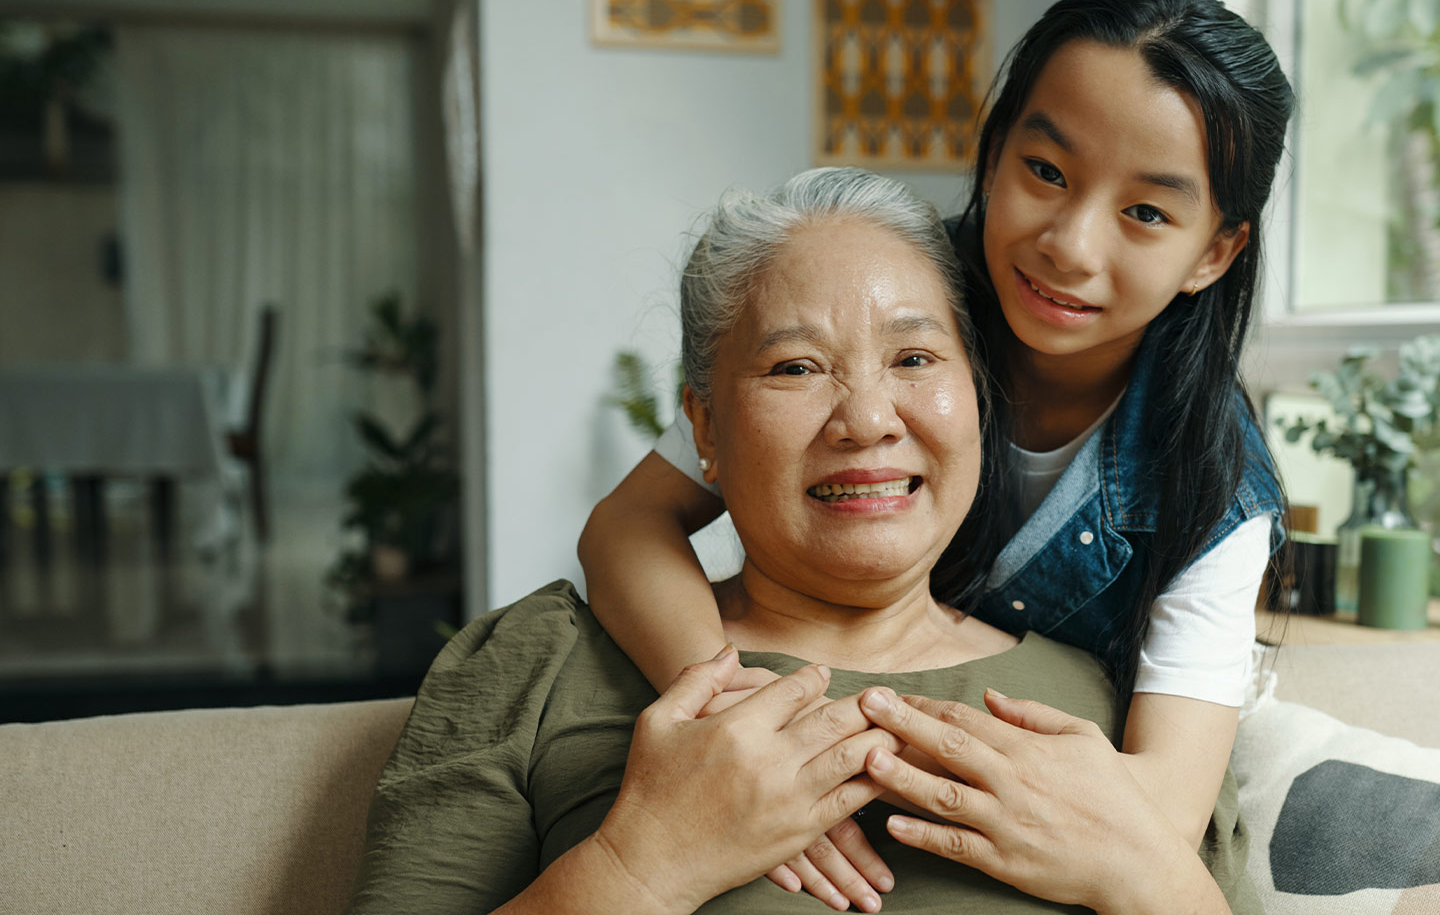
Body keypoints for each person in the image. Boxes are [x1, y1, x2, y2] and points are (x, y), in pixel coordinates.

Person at [346, 167, 1254, 914]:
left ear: (976, 395)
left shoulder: (1100, 703)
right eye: (795, 367)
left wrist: (1146, 878)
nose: (866, 418)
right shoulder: (539, 665)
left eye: (914, 358)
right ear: (703, 427)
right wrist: (641, 867)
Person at [578, 0, 1293, 909]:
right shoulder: (885, 294)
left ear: (1214, 251)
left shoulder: (1217, 478)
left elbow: (1156, 817)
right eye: (1046, 172)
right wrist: (737, 717)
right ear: (994, 153)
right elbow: (629, 525)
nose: (1070, 245)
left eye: (1146, 212)